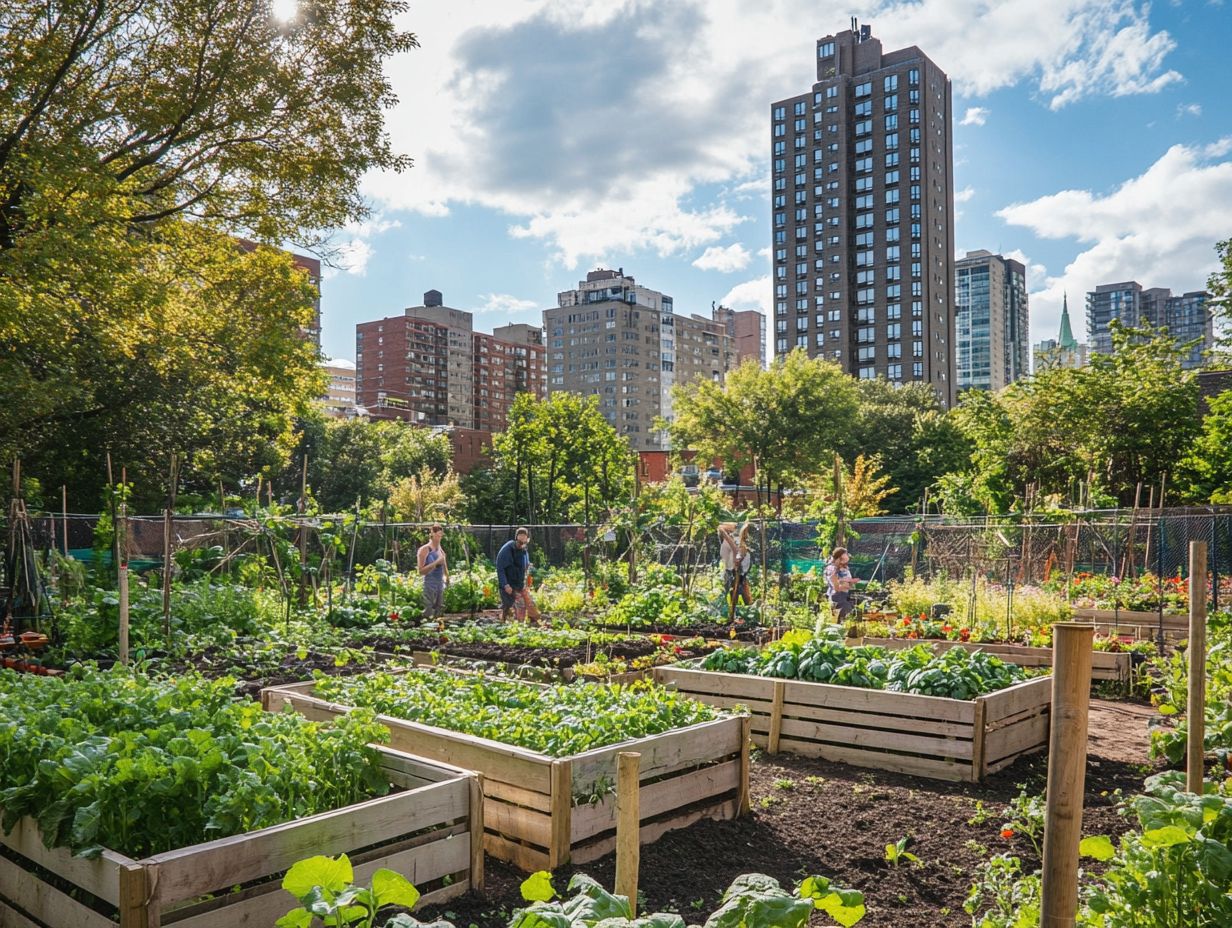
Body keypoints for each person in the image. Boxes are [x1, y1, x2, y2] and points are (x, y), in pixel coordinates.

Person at [495, 526, 541, 623]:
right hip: (509, 584)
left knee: (530, 603)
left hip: (519, 583)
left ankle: (534, 621)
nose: (522, 545)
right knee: (518, 605)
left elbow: (526, 565)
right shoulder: (507, 550)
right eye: (520, 542)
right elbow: (500, 569)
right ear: (516, 538)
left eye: (524, 543)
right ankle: (517, 624)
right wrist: (505, 585)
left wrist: (528, 568)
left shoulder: (524, 551)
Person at [417, 523, 449, 622]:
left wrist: (447, 577)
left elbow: (444, 564)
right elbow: (421, 571)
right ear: (432, 534)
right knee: (428, 610)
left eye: (441, 536)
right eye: (438, 535)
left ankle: (438, 632)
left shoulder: (440, 550)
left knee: (439, 609)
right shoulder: (424, 549)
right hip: (429, 584)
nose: (439, 538)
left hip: (439, 583)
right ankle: (426, 629)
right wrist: (435, 563)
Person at [718, 521, 752, 609]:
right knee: (735, 589)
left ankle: (745, 610)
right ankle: (737, 611)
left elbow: (738, 551)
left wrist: (737, 559)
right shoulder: (729, 539)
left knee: (738, 587)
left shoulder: (738, 540)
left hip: (738, 568)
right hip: (732, 567)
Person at [824, 546, 860, 619]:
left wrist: (850, 582)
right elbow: (835, 586)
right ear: (839, 557)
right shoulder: (832, 568)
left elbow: (848, 583)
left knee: (849, 617)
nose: (847, 556)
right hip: (837, 597)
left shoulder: (844, 567)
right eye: (845, 555)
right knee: (842, 618)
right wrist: (846, 582)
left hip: (844, 595)